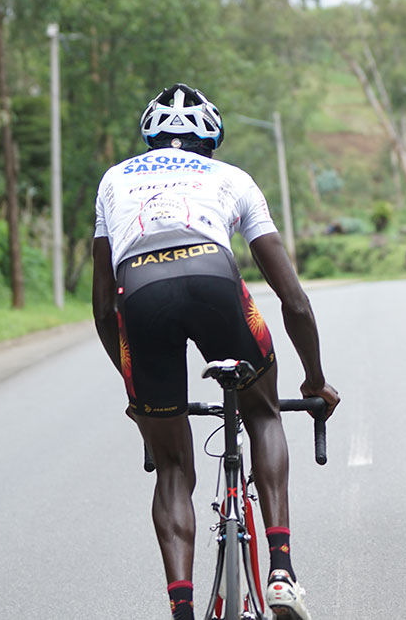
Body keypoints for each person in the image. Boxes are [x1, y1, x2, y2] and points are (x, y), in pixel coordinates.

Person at [92, 84, 340, 620]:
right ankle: (281, 573)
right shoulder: (232, 178)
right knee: (263, 414)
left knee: (172, 469)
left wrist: (138, 395)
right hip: (213, 280)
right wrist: (314, 379)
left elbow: (104, 311)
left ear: (150, 138)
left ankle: (182, 609)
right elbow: (293, 300)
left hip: (139, 292)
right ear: (211, 140)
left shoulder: (114, 180)